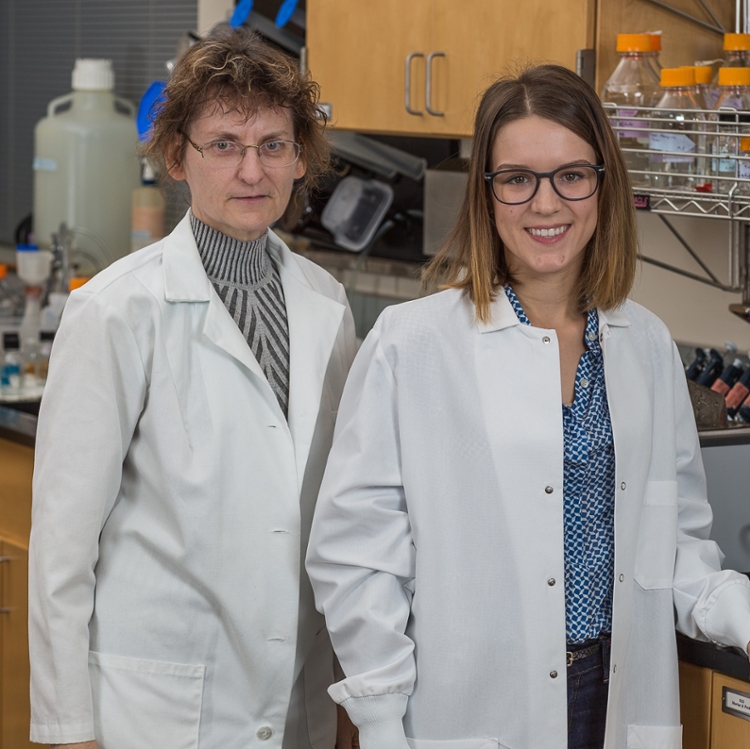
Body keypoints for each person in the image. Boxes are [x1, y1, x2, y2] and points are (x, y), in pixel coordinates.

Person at [306, 64, 750, 749]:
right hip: (471, 701)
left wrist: (740, 612)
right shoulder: (412, 344)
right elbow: (358, 558)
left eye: (571, 175)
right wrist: (381, 720)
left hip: (616, 694)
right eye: (517, 179)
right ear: (486, 194)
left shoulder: (646, 345)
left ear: (604, 185)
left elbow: (675, 548)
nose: (546, 204)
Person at [29, 27, 358, 749]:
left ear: (300, 157)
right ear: (177, 155)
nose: (252, 169)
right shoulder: (116, 309)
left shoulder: (326, 304)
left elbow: (332, 521)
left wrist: (342, 702)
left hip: (295, 699)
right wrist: (67, 730)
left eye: (273, 144)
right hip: (155, 711)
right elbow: (61, 545)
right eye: (225, 144)